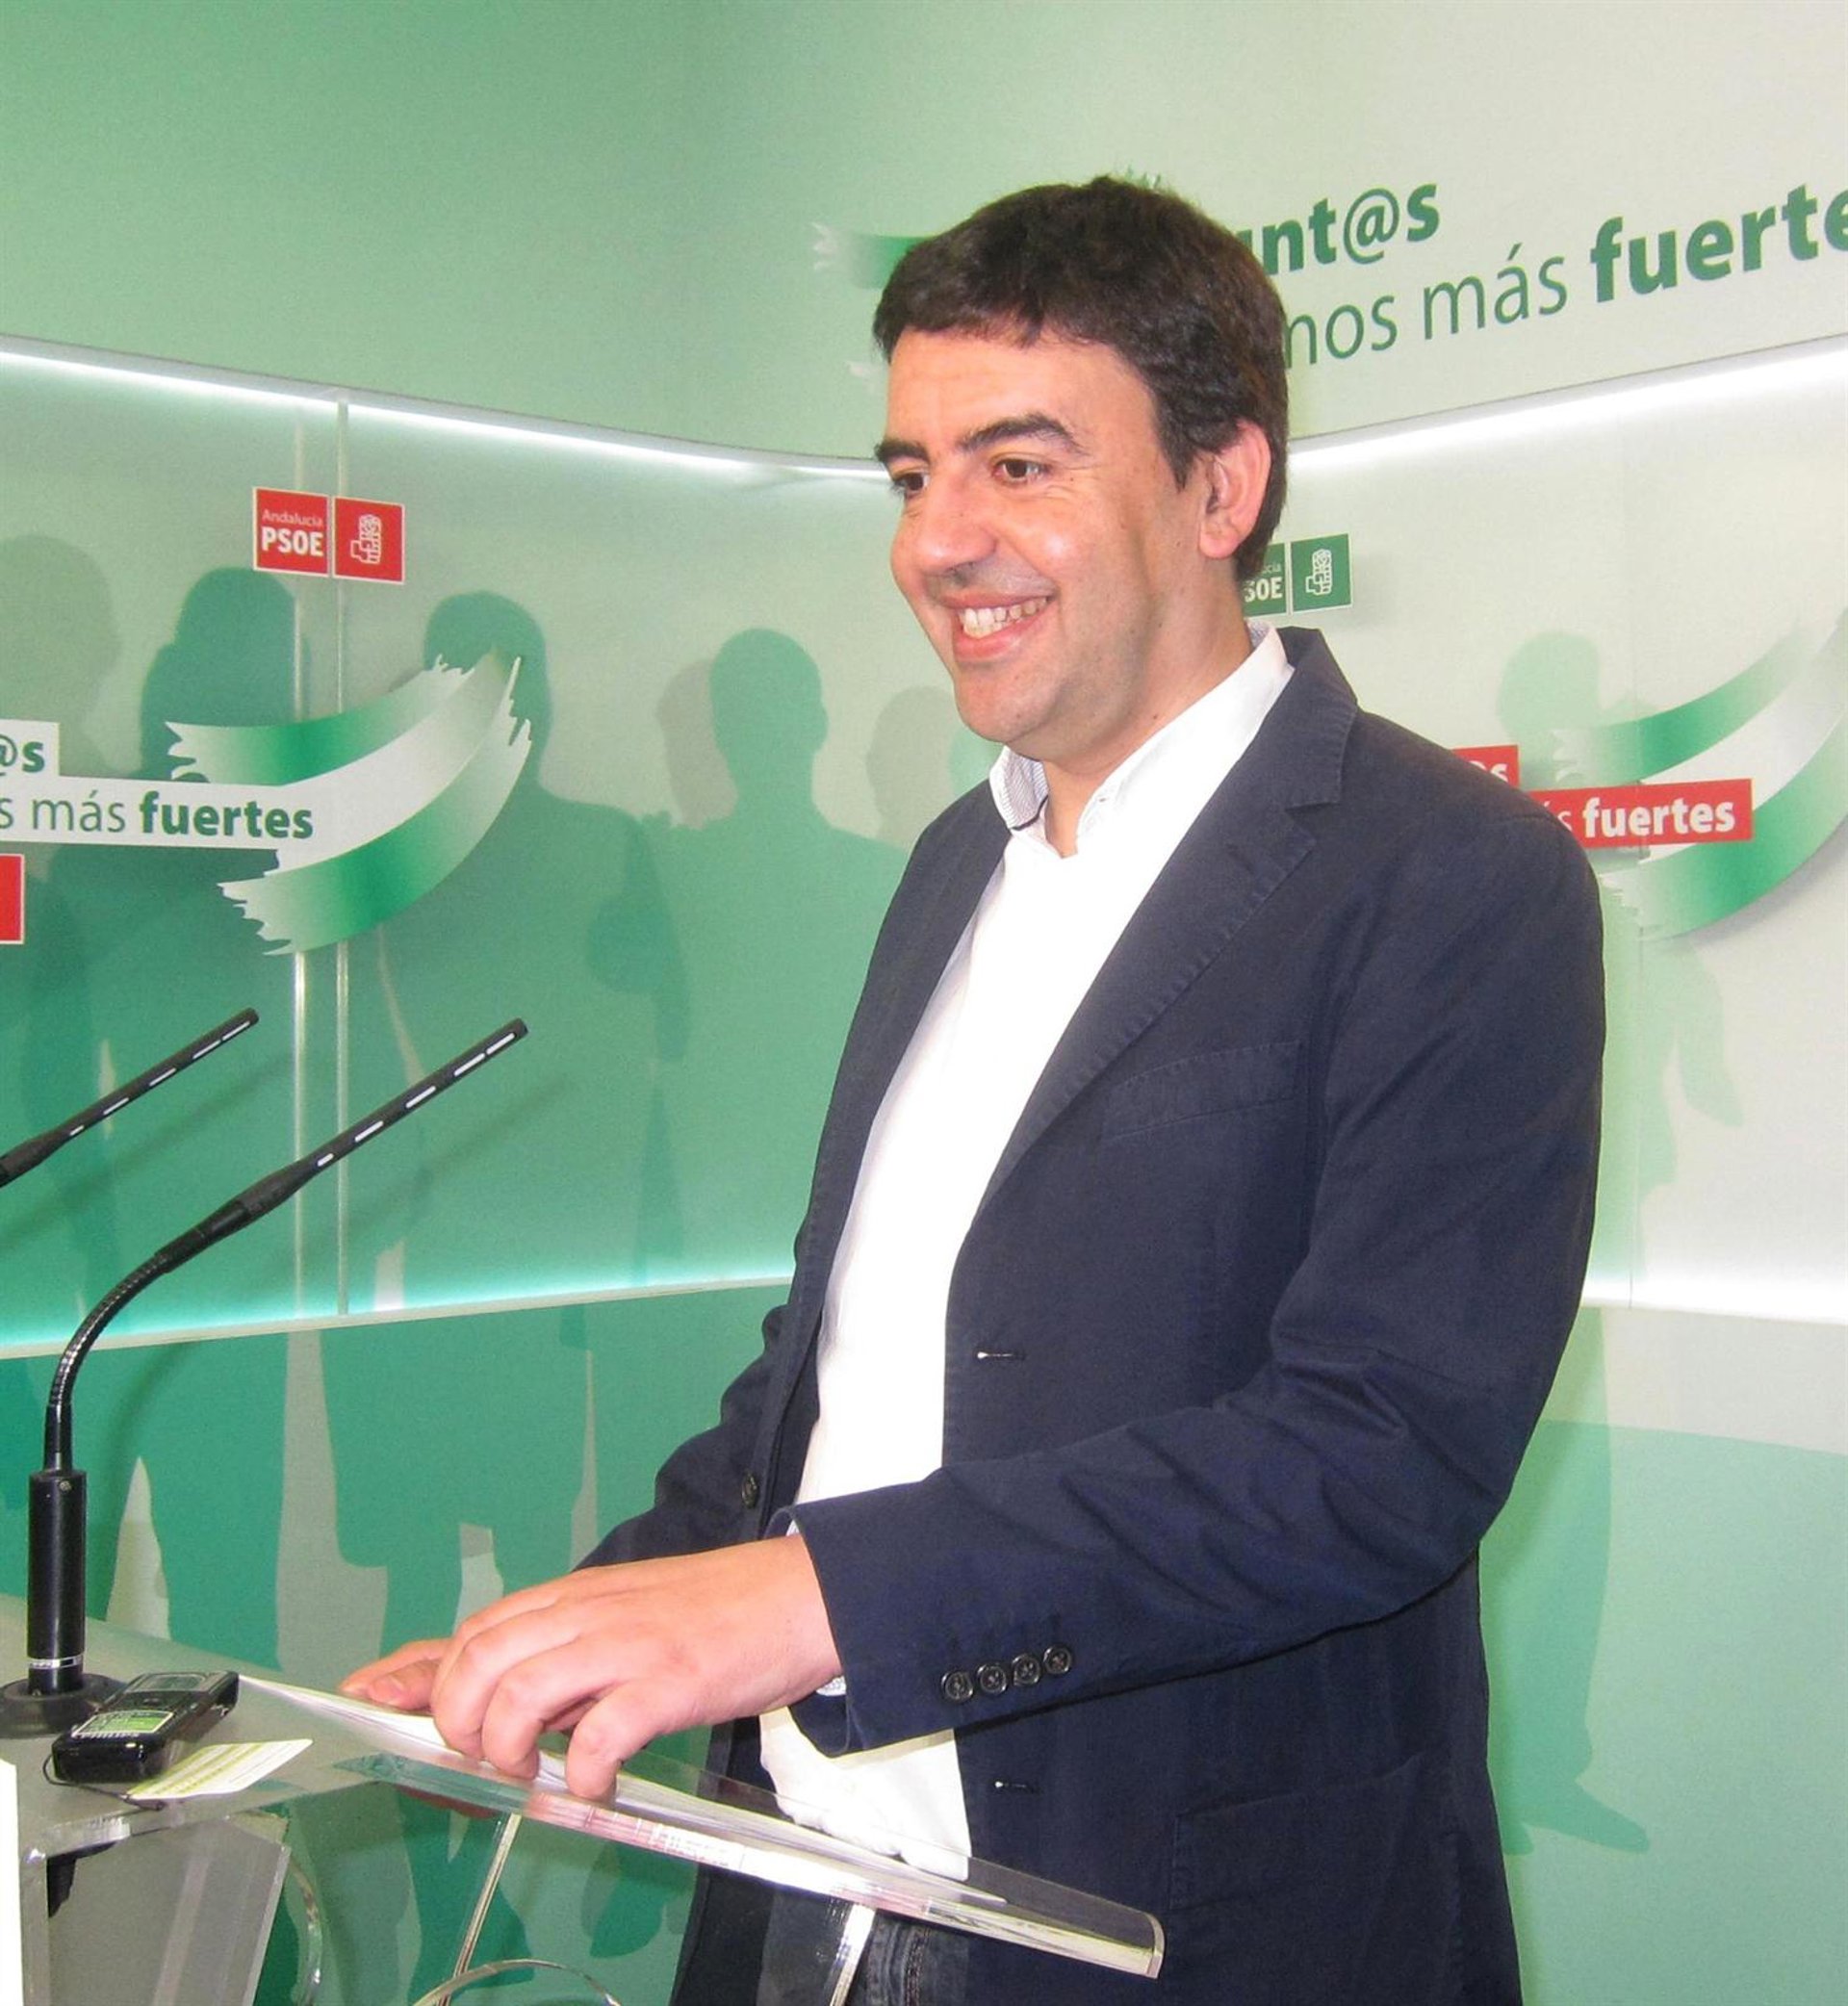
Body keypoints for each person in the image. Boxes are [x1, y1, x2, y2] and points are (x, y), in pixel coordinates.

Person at [346, 177, 1604, 2004]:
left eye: (1019, 465)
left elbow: (1374, 1454)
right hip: (801, 1889)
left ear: (1222, 488)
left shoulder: (1450, 874)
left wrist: (814, 1602)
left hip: (1173, 1934)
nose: (940, 541)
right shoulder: (957, 861)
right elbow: (836, 1381)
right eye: (910, 475)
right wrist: (580, 1624)